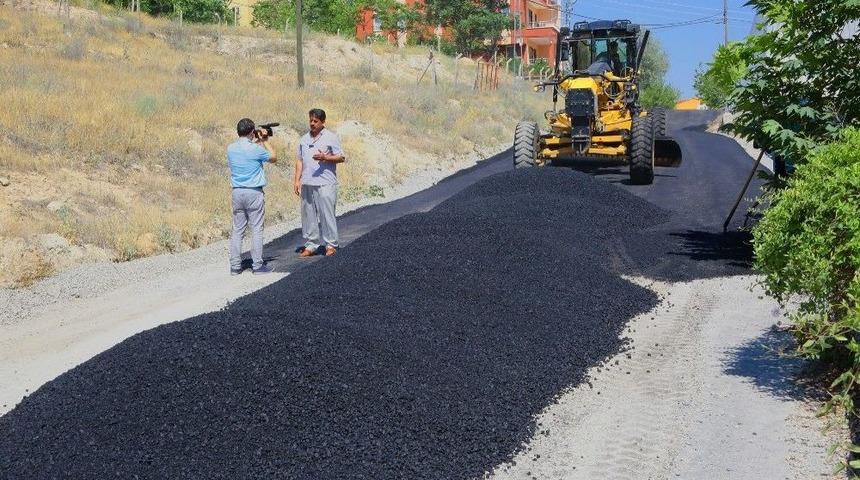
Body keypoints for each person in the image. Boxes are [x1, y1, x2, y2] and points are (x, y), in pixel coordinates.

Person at [227, 118, 278, 275]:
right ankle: (257, 266)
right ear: (251, 131)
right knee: (256, 229)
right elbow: (273, 157)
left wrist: (254, 139)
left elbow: (246, 150)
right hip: (253, 192)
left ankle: (235, 266)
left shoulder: (231, 148)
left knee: (238, 230)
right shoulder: (256, 149)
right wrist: (264, 140)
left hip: (237, 192)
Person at [294, 108, 345, 257]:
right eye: (310, 120)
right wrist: (297, 180)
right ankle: (311, 244)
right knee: (308, 214)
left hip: (325, 183)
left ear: (323, 122)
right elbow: (299, 160)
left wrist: (326, 158)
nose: (312, 123)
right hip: (308, 183)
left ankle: (331, 244)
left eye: (315, 121)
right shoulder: (304, 139)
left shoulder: (331, 137)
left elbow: (341, 157)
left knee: (326, 214)